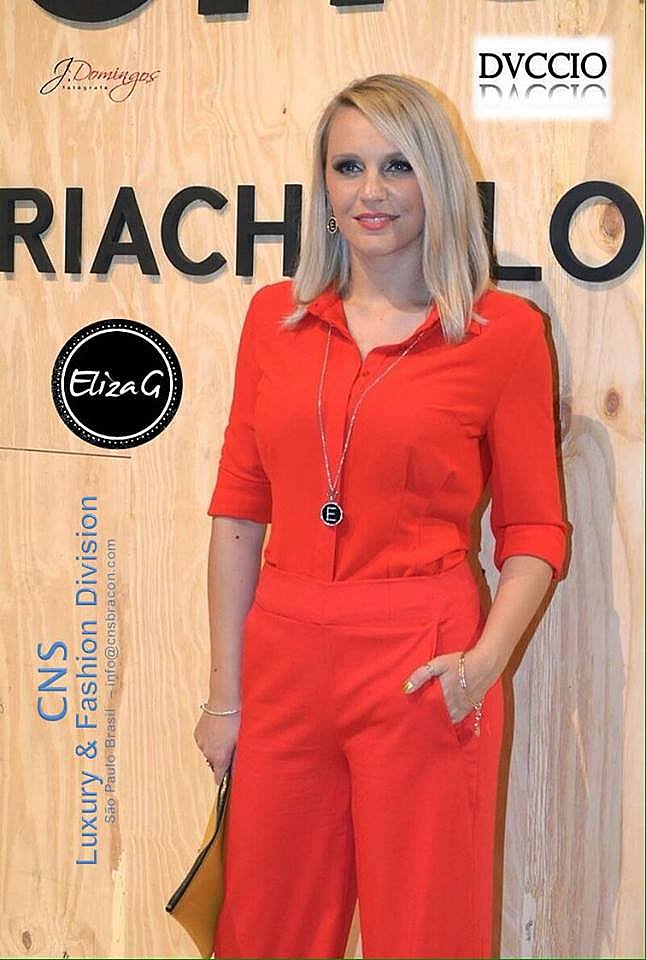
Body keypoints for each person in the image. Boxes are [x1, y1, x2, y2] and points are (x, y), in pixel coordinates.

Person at [194, 73, 571, 960]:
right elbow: (238, 510)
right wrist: (225, 698)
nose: (371, 191)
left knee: (427, 936)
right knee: (265, 934)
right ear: (323, 187)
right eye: (348, 166)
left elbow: (535, 534)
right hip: (282, 662)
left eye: (398, 166)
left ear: (437, 178)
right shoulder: (273, 321)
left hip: (423, 665)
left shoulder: (503, 335)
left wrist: (481, 668)